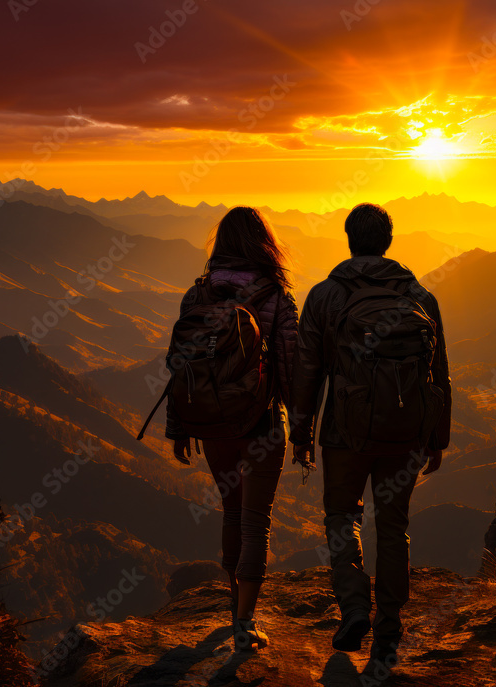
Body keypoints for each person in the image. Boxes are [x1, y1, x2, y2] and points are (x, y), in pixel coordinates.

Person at [289, 202, 451, 666]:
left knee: (342, 516)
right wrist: (436, 436)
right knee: (394, 527)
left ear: (348, 240)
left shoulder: (324, 297)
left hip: (345, 431)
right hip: (405, 434)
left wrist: (301, 433)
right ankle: (389, 630)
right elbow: (438, 372)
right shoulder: (421, 297)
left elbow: (308, 370)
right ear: (388, 241)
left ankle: (355, 607)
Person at [164, 206, 298, 650]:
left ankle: (231, 606)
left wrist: (180, 427)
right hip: (260, 422)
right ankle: (245, 621)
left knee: (232, 514)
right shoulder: (275, 296)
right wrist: (303, 430)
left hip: (212, 425)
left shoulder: (196, 296)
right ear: (265, 244)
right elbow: (291, 366)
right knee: (257, 523)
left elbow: (180, 368)